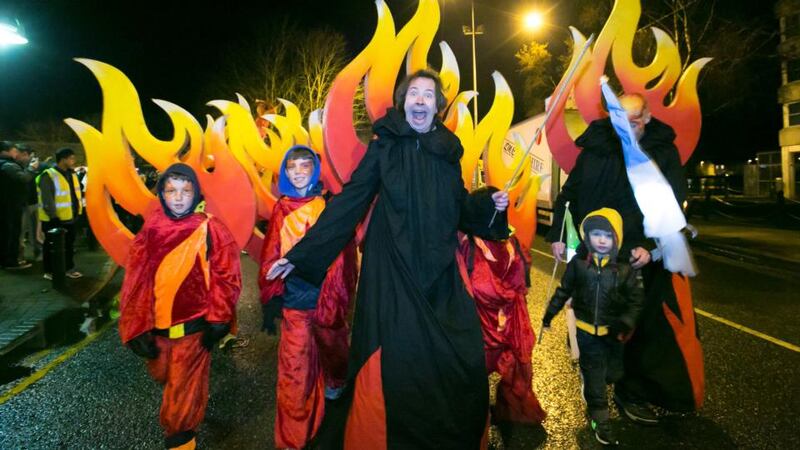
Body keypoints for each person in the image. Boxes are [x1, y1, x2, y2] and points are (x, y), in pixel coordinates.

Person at [266, 69, 510, 449]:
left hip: (440, 271)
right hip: (392, 269)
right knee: (397, 358)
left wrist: (488, 203)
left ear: (437, 107)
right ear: (403, 101)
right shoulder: (385, 145)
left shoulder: (448, 152)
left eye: (428, 95)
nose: (420, 100)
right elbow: (352, 200)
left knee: (457, 352)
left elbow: (459, 207)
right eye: (414, 93)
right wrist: (302, 254)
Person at [547, 93, 699, 421]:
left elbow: (674, 202)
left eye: (636, 120)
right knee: (597, 323)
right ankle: (598, 390)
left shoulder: (663, 152)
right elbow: (569, 197)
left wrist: (651, 244)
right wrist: (558, 234)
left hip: (640, 257)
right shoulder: (595, 151)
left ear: (647, 117)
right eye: (622, 120)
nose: (630, 127)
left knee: (639, 328)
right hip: (599, 257)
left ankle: (632, 394)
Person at [119, 163, 242, 450]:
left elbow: (227, 275)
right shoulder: (151, 229)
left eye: (185, 191)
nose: (178, 197)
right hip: (160, 330)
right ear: (161, 193)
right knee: (167, 378)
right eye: (171, 190)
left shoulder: (210, 228)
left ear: (196, 193)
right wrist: (135, 327)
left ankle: (180, 438)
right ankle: (189, 410)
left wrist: (219, 317)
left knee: (179, 397)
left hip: (194, 330)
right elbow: (136, 281)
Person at [258, 145, 358, 450]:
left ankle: (336, 382)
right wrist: (271, 294)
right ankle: (292, 440)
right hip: (295, 307)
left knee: (334, 355)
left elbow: (345, 259)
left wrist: (338, 300)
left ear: (314, 170)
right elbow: (271, 252)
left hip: (326, 303)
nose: (299, 171)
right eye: (292, 166)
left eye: (305, 165)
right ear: (285, 173)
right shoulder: (280, 208)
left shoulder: (329, 208)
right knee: (293, 372)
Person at [542, 208, 644, 446]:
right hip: (587, 333)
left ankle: (595, 386)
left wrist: (626, 322)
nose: (601, 239)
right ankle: (601, 421)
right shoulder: (578, 266)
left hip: (613, 335)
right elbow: (563, 291)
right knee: (596, 379)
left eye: (607, 235)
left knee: (613, 374)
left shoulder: (624, 270)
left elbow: (636, 301)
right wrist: (549, 314)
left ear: (616, 239)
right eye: (596, 234)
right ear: (587, 238)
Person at [455, 186, 546, 444]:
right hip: (492, 327)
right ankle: (481, 421)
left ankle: (490, 418)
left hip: (496, 326)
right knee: (477, 378)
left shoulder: (474, 244)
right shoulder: (477, 246)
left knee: (490, 374)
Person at [37, 147, 84, 279]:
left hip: (70, 217)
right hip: (54, 219)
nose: (73, 161)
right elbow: (47, 198)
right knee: (51, 245)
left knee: (68, 245)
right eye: (71, 158)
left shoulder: (72, 174)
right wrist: (53, 216)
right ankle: (49, 271)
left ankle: (68, 268)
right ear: (63, 159)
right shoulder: (48, 175)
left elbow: (75, 193)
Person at [0, 140, 36, 270]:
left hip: (6, 204)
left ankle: (6, 259)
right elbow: (23, 178)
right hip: (11, 205)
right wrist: (32, 168)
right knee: (12, 233)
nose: (17, 153)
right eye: (15, 150)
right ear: (7, 151)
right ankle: (10, 261)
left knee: (6, 233)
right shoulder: (8, 165)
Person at [17, 145, 43, 261]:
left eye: (20, 154)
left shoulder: (40, 167)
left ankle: (39, 252)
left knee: (37, 231)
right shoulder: (17, 166)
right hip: (25, 203)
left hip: (35, 202)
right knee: (21, 231)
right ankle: (20, 255)